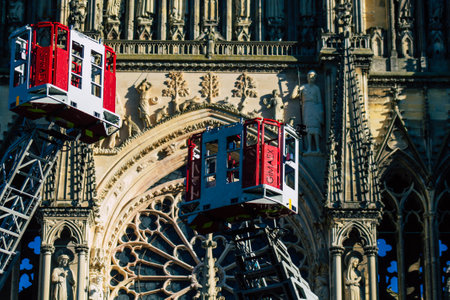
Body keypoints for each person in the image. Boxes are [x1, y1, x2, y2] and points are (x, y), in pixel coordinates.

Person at [291, 70, 323, 152]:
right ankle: (309, 148)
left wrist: (320, 111)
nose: (311, 78)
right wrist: (296, 87)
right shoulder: (303, 87)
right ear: (307, 77)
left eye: (313, 76)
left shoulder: (316, 88)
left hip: (315, 108)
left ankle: (318, 148)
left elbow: (319, 101)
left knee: (315, 128)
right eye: (309, 76)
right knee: (307, 127)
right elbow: (293, 96)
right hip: (306, 107)